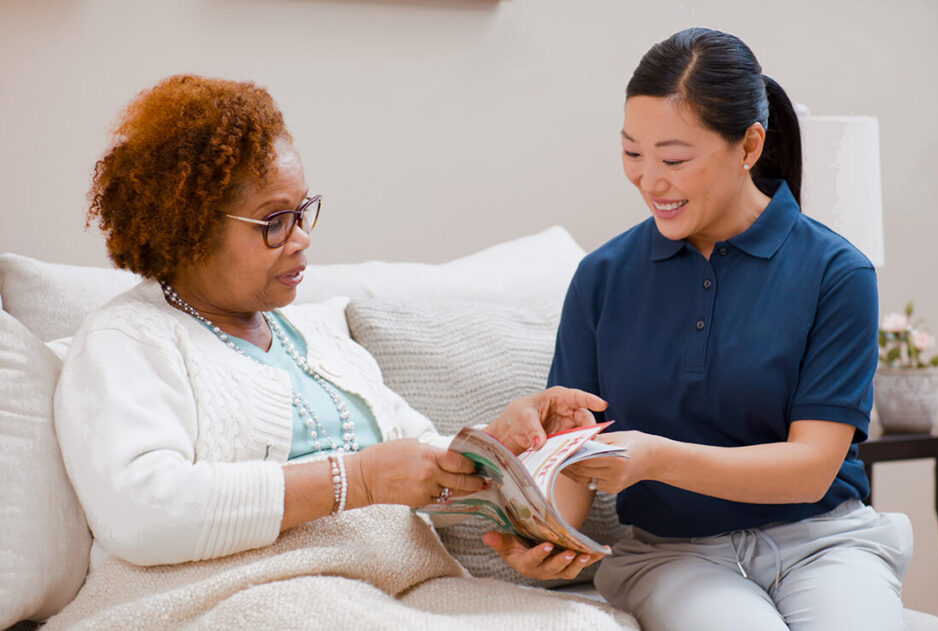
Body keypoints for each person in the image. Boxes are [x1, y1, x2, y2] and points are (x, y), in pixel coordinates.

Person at [53, 75, 603, 585]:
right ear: (189, 229)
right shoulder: (127, 339)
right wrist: (355, 482)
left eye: (302, 211)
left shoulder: (314, 338)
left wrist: (500, 444)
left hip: (397, 587)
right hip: (248, 594)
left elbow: (411, 458)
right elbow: (142, 512)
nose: (301, 238)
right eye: (274, 222)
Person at [547, 28, 913, 631]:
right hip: (673, 555)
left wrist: (656, 458)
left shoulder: (837, 273)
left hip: (823, 542)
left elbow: (810, 466)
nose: (649, 181)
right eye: (632, 153)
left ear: (748, 146)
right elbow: (573, 462)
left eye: (674, 159)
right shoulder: (602, 278)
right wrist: (540, 536)